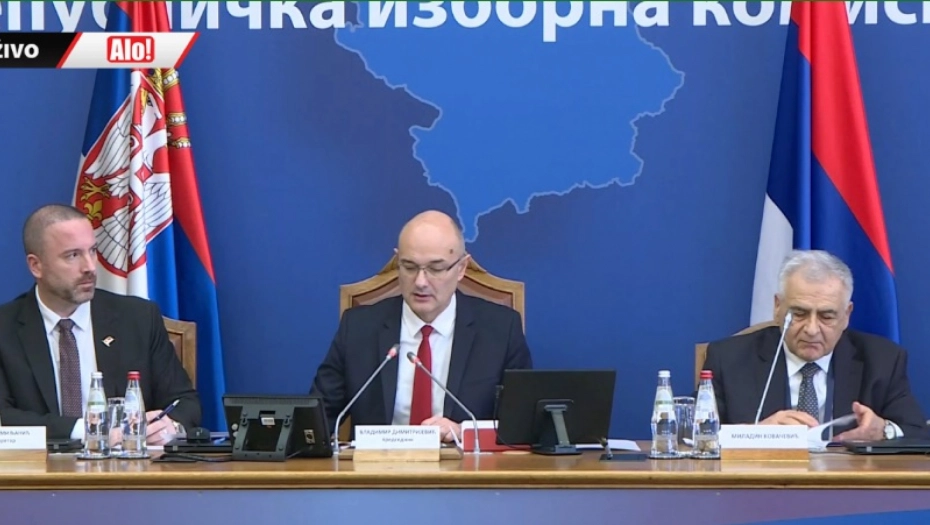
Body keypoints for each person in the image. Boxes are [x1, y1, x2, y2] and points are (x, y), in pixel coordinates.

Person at [311, 210, 533, 442]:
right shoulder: (358, 328)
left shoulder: (501, 330)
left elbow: (521, 426)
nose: (420, 282)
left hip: (462, 464)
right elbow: (317, 420)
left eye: (435, 269)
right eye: (409, 267)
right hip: (378, 464)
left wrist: (464, 432)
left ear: (461, 268)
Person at [0, 204, 201, 444]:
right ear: (36, 266)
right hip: (39, 466)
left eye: (93, 251)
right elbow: (4, 417)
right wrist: (90, 431)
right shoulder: (5, 328)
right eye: (73, 255)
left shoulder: (138, 318)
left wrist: (170, 427)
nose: (90, 267)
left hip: (128, 465)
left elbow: (184, 403)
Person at [704, 250, 927, 440]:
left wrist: (884, 430)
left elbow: (918, 432)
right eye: (799, 314)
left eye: (826, 316)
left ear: (846, 315)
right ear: (778, 307)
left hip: (848, 478)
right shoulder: (728, 359)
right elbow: (696, 435)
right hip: (761, 477)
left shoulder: (883, 361)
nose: (812, 329)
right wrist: (754, 435)